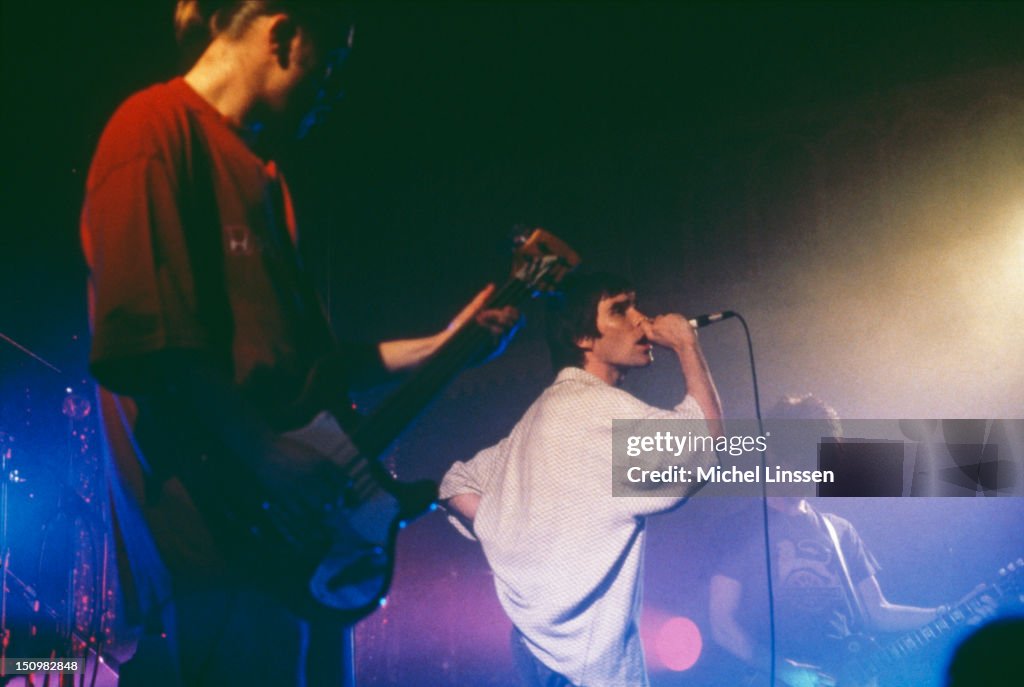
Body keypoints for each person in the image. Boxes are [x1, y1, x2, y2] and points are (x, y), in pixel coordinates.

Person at [79, 2, 515, 685]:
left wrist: (447, 344)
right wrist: (265, 452)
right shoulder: (154, 129)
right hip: (216, 541)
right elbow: (154, 348)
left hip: (295, 545)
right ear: (281, 35)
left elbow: (315, 369)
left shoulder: (269, 177)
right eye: (331, 60)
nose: (333, 86)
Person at [440, 271, 725, 687]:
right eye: (619, 309)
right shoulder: (595, 411)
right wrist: (685, 344)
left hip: (535, 653)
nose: (640, 319)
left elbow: (454, 483)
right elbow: (705, 442)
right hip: (585, 673)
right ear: (582, 338)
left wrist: (508, 531)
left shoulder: (545, 413)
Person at [707, 395, 975, 687]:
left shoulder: (839, 532)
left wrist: (948, 614)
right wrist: (784, 671)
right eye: (802, 463)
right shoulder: (739, 528)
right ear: (773, 455)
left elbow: (878, 612)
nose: (811, 474)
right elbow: (722, 625)